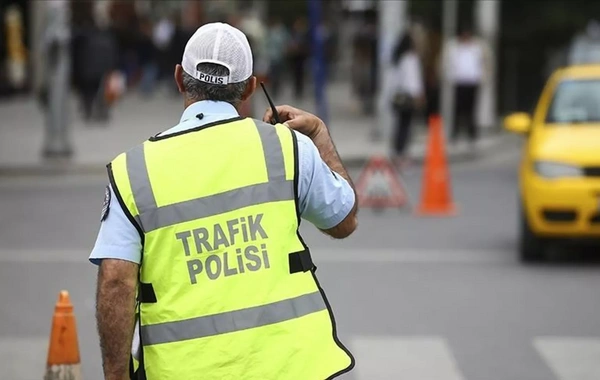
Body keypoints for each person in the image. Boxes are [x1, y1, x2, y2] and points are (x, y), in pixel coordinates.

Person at [90, 22, 358, 380]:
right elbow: (344, 219)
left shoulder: (133, 172)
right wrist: (319, 134)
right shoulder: (287, 148)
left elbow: (116, 282)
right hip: (289, 369)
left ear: (178, 78)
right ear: (250, 87)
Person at [445, 24, 485, 149]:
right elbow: (449, 63)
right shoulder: (455, 47)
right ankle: (455, 134)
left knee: (471, 110)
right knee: (458, 109)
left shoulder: (476, 47)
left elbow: (482, 62)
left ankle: (471, 135)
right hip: (459, 81)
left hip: (472, 81)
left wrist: (481, 77)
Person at [390, 32, 424, 169]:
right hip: (408, 97)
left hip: (399, 96)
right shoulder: (410, 58)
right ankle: (402, 155)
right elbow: (412, 80)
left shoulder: (399, 59)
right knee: (406, 127)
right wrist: (418, 96)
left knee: (400, 126)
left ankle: (397, 153)